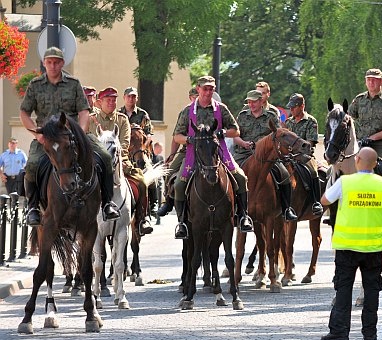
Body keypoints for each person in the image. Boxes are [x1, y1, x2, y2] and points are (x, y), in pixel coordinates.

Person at [19, 46, 119, 226]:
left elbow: (83, 111)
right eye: (49, 62)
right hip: (47, 137)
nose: (53, 66)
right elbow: (24, 113)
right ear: (44, 63)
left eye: (56, 62)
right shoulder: (35, 85)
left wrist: (80, 133)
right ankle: (33, 208)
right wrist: (37, 135)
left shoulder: (73, 84)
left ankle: (107, 203)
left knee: (104, 157)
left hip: (74, 135)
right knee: (32, 165)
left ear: (62, 63)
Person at [321, 147, 382, 340]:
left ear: (357, 160)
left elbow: (324, 200)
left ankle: (339, 331)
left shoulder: (345, 182)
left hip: (347, 246)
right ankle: (369, 332)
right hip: (373, 248)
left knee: (344, 289)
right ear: (375, 164)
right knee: (372, 290)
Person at [170, 75, 253, 239]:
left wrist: (223, 132)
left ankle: (243, 216)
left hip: (217, 150)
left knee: (241, 178)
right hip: (193, 152)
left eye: (211, 89)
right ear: (198, 89)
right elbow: (176, 136)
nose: (208, 92)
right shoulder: (188, 110)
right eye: (205, 88)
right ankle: (182, 223)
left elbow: (236, 130)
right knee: (179, 184)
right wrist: (188, 140)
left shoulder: (221, 108)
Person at [92, 86, 153, 236]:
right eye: (108, 100)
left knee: (141, 181)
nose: (112, 103)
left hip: (119, 160)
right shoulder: (92, 119)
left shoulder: (122, 119)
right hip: (97, 162)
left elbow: (125, 143)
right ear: (100, 102)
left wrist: (117, 157)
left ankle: (141, 218)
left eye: (114, 100)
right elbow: (89, 140)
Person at [233, 90, 297, 221]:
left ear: (261, 101)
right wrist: (243, 143)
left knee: (284, 175)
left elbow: (279, 133)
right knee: (231, 174)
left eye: (253, 101)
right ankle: (234, 210)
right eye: (249, 102)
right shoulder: (242, 115)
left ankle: (286, 209)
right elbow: (235, 135)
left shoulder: (271, 116)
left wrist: (262, 145)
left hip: (267, 155)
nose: (251, 104)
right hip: (244, 153)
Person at [348, 68, 382, 187]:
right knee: (334, 170)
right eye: (369, 80)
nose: (371, 83)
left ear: (381, 82)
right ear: (365, 82)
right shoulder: (359, 100)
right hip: (360, 145)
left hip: (381, 146)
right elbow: (348, 119)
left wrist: (373, 138)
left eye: (374, 80)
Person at [285, 93, 323, 216]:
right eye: (290, 107)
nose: (291, 110)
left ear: (302, 106)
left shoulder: (311, 121)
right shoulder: (288, 122)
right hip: (289, 156)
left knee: (313, 171)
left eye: (294, 107)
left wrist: (297, 152)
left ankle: (316, 202)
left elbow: (310, 143)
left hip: (305, 156)